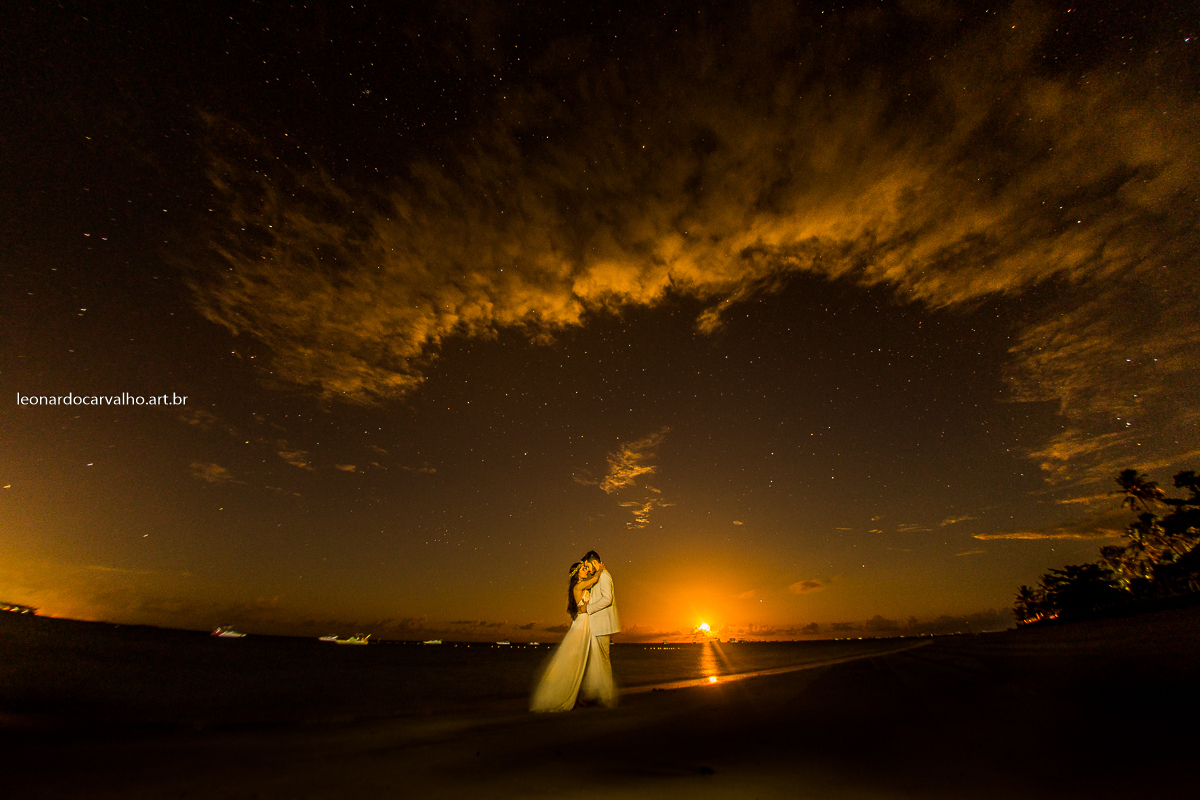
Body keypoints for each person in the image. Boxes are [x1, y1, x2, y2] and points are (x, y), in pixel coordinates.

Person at [529, 560, 601, 712]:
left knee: (582, 661)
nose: (585, 569)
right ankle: (570, 697)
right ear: (576, 574)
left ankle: (577, 697)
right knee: (576, 660)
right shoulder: (578, 586)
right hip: (582, 625)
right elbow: (595, 580)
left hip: (585, 624)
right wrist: (600, 569)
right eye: (583, 568)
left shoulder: (582, 585)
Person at [577, 550, 618, 707]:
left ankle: (606, 698)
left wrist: (588, 609)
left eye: (588, 565)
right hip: (597, 625)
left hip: (601, 625)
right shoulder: (599, 576)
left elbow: (607, 599)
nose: (587, 569)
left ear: (594, 562)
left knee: (603, 661)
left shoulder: (605, 576)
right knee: (597, 662)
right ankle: (596, 694)